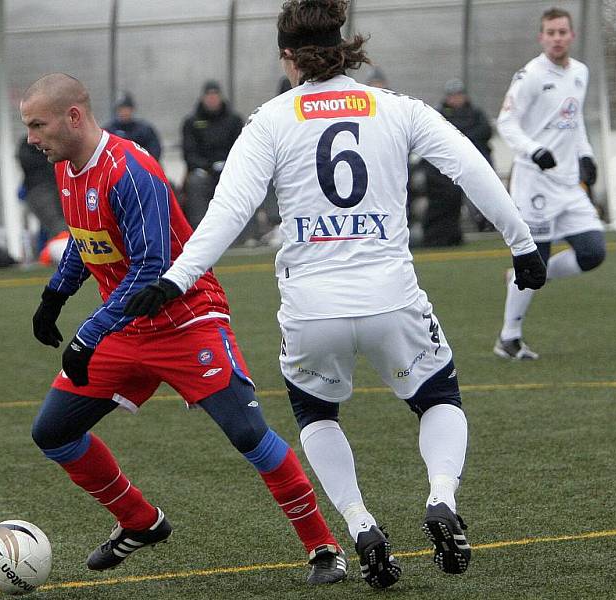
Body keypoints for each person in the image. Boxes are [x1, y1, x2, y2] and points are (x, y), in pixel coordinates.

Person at [123, 0, 547, 588]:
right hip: (391, 296)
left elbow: (228, 212)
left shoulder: (270, 119)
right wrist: (521, 244)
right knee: (437, 396)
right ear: (345, 44)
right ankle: (441, 500)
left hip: (311, 308)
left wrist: (174, 279)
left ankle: (361, 523)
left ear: (288, 57)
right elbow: (470, 166)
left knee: (316, 413)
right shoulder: (396, 108)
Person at [19, 72, 347, 586]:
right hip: (127, 326)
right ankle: (140, 522)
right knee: (53, 433)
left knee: (248, 434)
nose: (31, 138)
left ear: (73, 117)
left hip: (187, 319)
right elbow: (88, 239)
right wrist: (53, 296)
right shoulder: (66, 166)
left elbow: (152, 268)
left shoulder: (132, 171)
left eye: (37, 125)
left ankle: (322, 545)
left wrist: (88, 332)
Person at [494, 7, 605, 360]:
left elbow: (574, 122)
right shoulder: (529, 75)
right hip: (535, 184)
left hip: (569, 185)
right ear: (541, 38)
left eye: (562, 32)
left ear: (571, 35)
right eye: (550, 33)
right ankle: (508, 338)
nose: (557, 38)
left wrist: (586, 154)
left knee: (592, 252)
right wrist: (534, 149)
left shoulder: (581, 73)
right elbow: (506, 123)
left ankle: (531, 276)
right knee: (535, 259)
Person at [422, 78, 494, 245]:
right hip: (448, 168)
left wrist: (461, 138)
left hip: (475, 163)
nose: (456, 99)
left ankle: (487, 223)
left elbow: (485, 132)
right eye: (453, 96)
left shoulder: (475, 112)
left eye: (459, 95)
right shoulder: (439, 114)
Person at [180, 80, 243, 229]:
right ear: (203, 97)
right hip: (202, 170)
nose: (212, 99)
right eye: (209, 95)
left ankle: (243, 231)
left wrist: (227, 165)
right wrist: (207, 167)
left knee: (242, 182)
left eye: (215, 95)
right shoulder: (191, 122)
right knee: (196, 182)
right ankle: (200, 229)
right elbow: (189, 153)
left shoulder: (233, 120)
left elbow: (241, 148)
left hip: (229, 168)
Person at [17, 136, 67, 245]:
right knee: (60, 229)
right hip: (41, 190)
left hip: (48, 188)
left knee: (57, 230)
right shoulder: (30, 145)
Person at [103, 92, 162, 160]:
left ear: (132, 110)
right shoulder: (110, 130)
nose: (124, 112)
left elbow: (155, 151)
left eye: (126, 109)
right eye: (121, 109)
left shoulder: (144, 130)